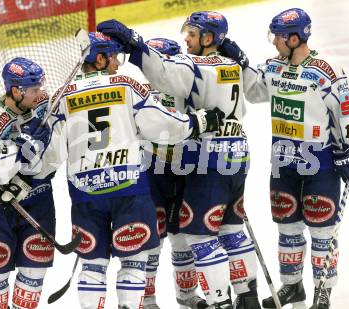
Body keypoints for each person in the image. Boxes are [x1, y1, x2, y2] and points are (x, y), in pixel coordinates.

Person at [97, 11, 261, 309]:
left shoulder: (192, 65)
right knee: (231, 228)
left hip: (207, 159)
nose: (186, 39)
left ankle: (220, 302)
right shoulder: (231, 64)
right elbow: (257, 91)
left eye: (193, 34)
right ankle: (248, 297)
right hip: (238, 153)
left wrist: (135, 45)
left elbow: (162, 73)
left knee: (198, 233)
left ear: (209, 38)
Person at [53, 31, 224, 309]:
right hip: (128, 190)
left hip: (86, 194)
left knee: (92, 267)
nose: (118, 64)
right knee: (134, 263)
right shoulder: (125, 86)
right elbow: (165, 127)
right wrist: (199, 123)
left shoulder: (63, 97)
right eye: (113, 58)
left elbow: (50, 153)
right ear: (99, 58)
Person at [220, 7, 349, 309]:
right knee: (287, 229)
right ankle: (293, 286)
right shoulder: (274, 68)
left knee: (323, 232)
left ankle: (322, 291)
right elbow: (254, 91)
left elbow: (348, 109)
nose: (273, 41)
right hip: (283, 161)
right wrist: (242, 62)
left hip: (320, 162)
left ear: (294, 37)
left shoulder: (325, 70)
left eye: (277, 36)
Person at [0, 57, 59, 309]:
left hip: (39, 201)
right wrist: (22, 150)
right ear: (15, 91)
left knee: (32, 284)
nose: (39, 94)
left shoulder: (44, 108)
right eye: (33, 90)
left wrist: (39, 147)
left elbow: (54, 160)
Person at [141, 38, 207, 309]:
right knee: (151, 239)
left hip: (184, 170)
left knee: (181, 235)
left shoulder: (188, 91)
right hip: (150, 173)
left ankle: (187, 294)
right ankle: (147, 299)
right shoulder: (140, 92)